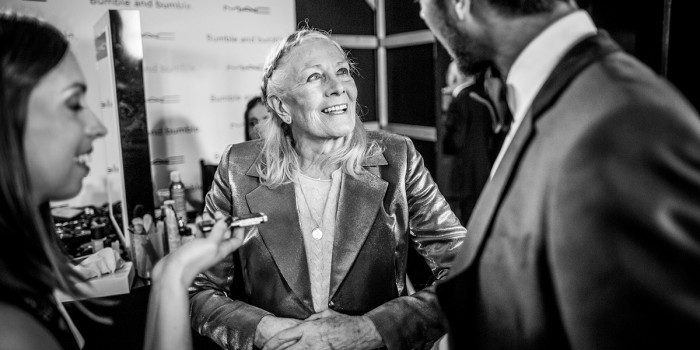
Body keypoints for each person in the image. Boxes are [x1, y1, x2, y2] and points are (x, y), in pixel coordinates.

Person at [417, 0, 700, 348]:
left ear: (461, 4)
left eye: (421, 2)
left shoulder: (617, 126)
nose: (422, 15)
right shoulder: (555, 97)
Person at [189, 28, 467, 350]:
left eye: (342, 72)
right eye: (314, 77)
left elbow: (466, 269)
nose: (338, 89)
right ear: (281, 107)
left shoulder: (398, 159)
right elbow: (199, 289)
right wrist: (261, 330)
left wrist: (370, 330)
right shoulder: (237, 168)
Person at [0, 12, 243, 350]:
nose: (98, 126)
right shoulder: (10, 331)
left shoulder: (21, 275)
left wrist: (170, 276)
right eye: (73, 104)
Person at [439, 62, 509, 225]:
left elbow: (453, 142)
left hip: (463, 179)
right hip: (485, 174)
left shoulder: (458, 102)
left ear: (456, 76)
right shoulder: (485, 98)